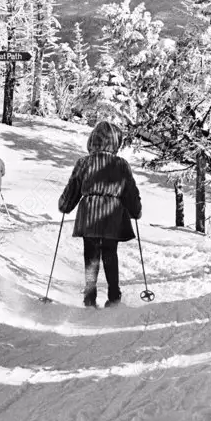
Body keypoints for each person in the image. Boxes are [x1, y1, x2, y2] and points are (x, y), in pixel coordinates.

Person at [58, 121, 142, 308]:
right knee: (110, 253)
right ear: (115, 142)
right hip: (113, 214)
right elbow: (130, 192)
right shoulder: (121, 164)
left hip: (89, 213)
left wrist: (65, 205)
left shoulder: (84, 162)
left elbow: (73, 188)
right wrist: (136, 210)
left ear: (93, 140)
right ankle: (114, 295)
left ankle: (90, 294)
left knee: (91, 255)